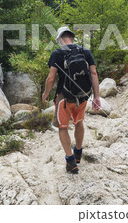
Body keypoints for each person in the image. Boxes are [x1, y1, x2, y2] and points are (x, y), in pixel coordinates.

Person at [42, 26, 101, 174]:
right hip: (82, 96)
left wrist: (45, 93)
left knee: (62, 127)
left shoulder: (57, 53)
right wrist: (97, 97)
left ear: (60, 39)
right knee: (79, 123)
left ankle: (70, 162)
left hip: (64, 97)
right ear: (72, 37)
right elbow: (93, 73)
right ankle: (78, 153)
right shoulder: (85, 51)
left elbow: (51, 78)